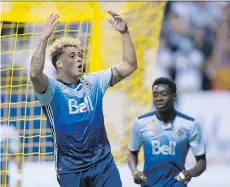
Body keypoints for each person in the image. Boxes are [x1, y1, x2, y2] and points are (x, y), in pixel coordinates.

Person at [29, 11, 137, 187]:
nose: (79, 59)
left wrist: (125, 33)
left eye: (80, 55)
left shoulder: (94, 82)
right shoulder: (51, 90)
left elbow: (129, 65)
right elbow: (34, 74)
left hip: (103, 165)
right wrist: (43, 38)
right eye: (72, 56)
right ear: (59, 64)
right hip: (70, 170)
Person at [128, 77, 206, 187]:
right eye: (155, 95)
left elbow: (202, 161)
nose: (158, 98)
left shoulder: (190, 124)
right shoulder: (141, 123)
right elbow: (132, 152)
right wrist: (134, 171)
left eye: (163, 94)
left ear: (174, 96)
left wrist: (190, 173)